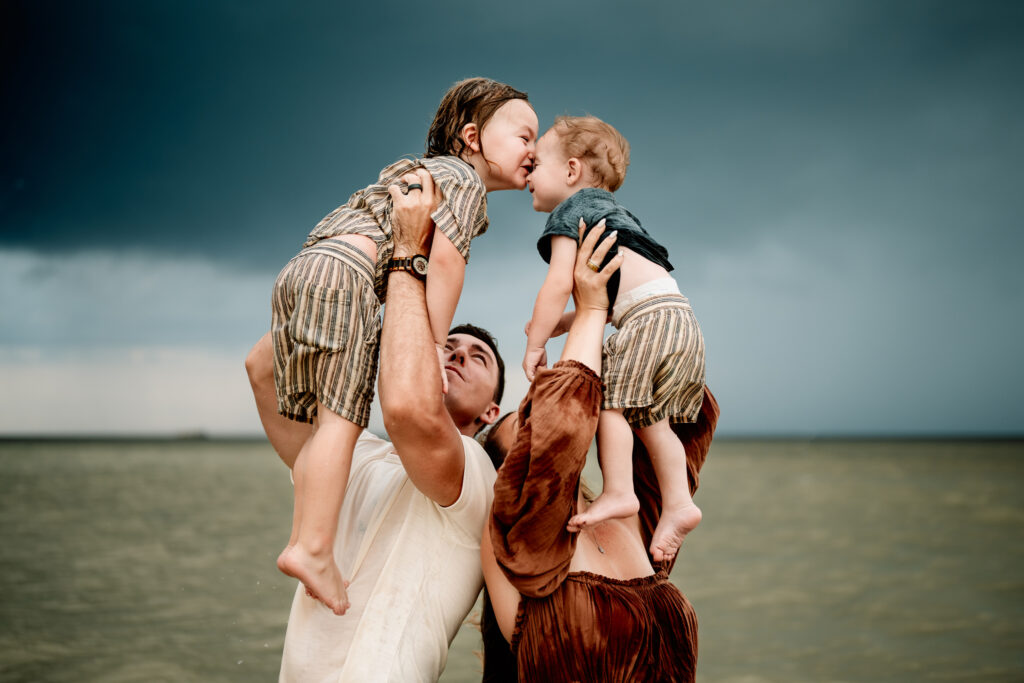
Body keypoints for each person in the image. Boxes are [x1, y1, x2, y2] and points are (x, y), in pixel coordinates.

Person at [269, 77, 537, 613]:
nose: (535, 150)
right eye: (524, 135)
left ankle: (312, 536)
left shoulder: (418, 173)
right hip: (348, 276)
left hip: (304, 267)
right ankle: (312, 547)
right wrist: (433, 344)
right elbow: (445, 261)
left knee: (318, 420)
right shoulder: (461, 182)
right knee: (341, 419)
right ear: (472, 138)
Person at [245, 167, 510, 681]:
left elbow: (411, 411)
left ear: (489, 414)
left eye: (478, 358)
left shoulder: (478, 479)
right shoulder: (351, 453)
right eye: (449, 345)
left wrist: (408, 254)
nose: (456, 354)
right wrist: (352, 257)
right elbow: (263, 371)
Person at [482, 220, 719, 682]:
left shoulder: (626, 510)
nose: (541, 432)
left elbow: (688, 414)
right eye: (526, 431)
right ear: (505, 477)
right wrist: (589, 309)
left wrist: (640, 311)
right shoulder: (516, 538)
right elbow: (562, 422)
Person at [522, 115, 706, 562]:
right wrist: (568, 324)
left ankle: (620, 490)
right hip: (678, 319)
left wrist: (535, 344)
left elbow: (558, 283)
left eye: (538, 163)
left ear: (571, 171)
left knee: (609, 403)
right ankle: (678, 503)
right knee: (650, 419)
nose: (528, 170)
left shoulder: (574, 209)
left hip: (643, 322)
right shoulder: (619, 216)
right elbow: (609, 294)